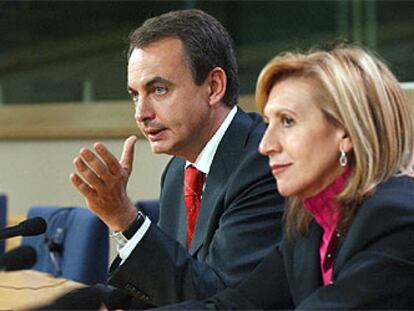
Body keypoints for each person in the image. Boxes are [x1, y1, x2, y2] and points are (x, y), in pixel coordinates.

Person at [158, 45, 414, 309]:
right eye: (269, 124)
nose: (266, 145)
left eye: (288, 121)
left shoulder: (397, 218)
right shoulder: (309, 223)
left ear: (346, 132)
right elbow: (234, 306)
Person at [69, 9, 284, 308]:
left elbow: (218, 300)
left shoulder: (263, 162)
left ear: (213, 87)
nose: (141, 113)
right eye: (135, 94)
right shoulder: (177, 171)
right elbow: (173, 286)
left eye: (158, 90)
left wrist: (124, 219)